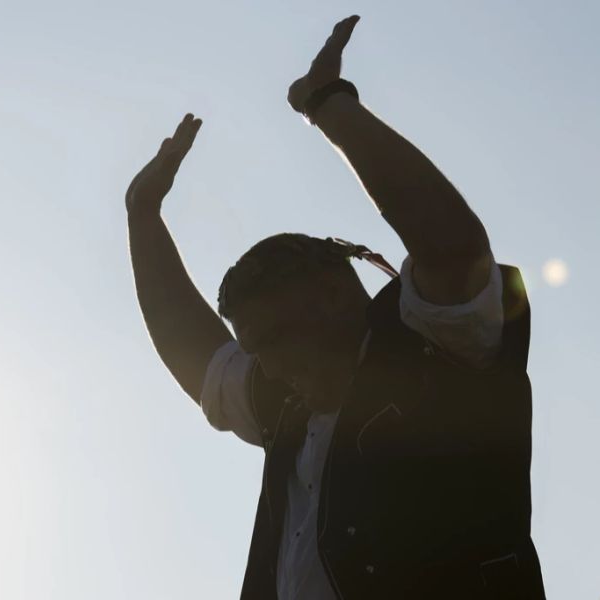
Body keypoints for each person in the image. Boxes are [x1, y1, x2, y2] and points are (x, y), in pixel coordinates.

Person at [125, 14, 545, 600]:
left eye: (274, 339)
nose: (265, 367)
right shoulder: (287, 406)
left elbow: (452, 249)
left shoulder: (437, 354)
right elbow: (198, 356)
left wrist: (326, 103)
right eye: (256, 349)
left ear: (331, 296)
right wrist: (142, 216)